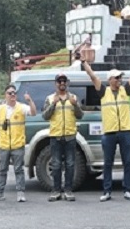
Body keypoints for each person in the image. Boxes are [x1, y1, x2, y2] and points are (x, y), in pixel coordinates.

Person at [81, 47, 130, 202]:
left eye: (120, 77)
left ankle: (128, 190)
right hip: (109, 133)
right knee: (107, 164)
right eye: (116, 78)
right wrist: (84, 63)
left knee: (127, 163)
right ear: (110, 80)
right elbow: (92, 76)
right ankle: (107, 191)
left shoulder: (125, 90)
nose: (119, 80)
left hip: (125, 132)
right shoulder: (103, 91)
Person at [0, 84, 37, 202]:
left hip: (17, 145)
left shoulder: (21, 107)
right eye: (10, 93)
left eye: (14, 93)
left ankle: (20, 193)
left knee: (18, 170)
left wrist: (30, 101)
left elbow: (33, 113)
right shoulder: (0, 108)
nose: (13, 95)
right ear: (6, 95)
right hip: (3, 145)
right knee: (2, 170)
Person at [43, 72, 84, 202]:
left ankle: (68, 190)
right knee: (55, 164)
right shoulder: (49, 98)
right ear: (55, 84)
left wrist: (75, 104)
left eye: (64, 81)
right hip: (55, 135)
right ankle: (55, 190)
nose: (62, 83)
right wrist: (53, 104)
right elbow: (45, 116)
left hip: (70, 136)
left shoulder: (73, 98)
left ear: (67, 83)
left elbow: (80, 115)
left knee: (70, 164)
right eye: (59, 81)